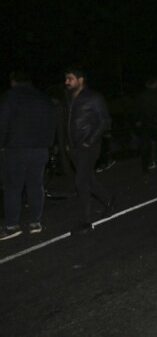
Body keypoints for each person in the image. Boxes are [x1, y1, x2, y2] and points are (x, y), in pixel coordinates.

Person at [0, 71, 57, 240]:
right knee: (35, 185)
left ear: (13, 81)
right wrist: (49, 144)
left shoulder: (10, 97)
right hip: (40, 149)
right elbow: (52, 120)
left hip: (16, 149)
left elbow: (2, 122)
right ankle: (35, 222)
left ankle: (12, 226)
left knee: (13, 188)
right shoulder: (43, 98)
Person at [64, 68, 114, 233]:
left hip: (89, 147)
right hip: (74, 149)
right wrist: (67, 143)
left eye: (70, 79)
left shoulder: (93, 97)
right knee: (89, 179)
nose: (67, 82)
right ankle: (109, 200)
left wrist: (89, 141)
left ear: (80, 79)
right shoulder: (70, 98)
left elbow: (104, 120)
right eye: (66, 79)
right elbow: (68, 123)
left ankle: (85, 222)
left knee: (81, 182)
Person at [135, 77, 157, 173]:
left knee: (145, 146)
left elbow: (137, 109)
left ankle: (145, 168)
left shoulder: (141, 95)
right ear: (155, 84)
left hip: (145, 124)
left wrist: (138, 120)